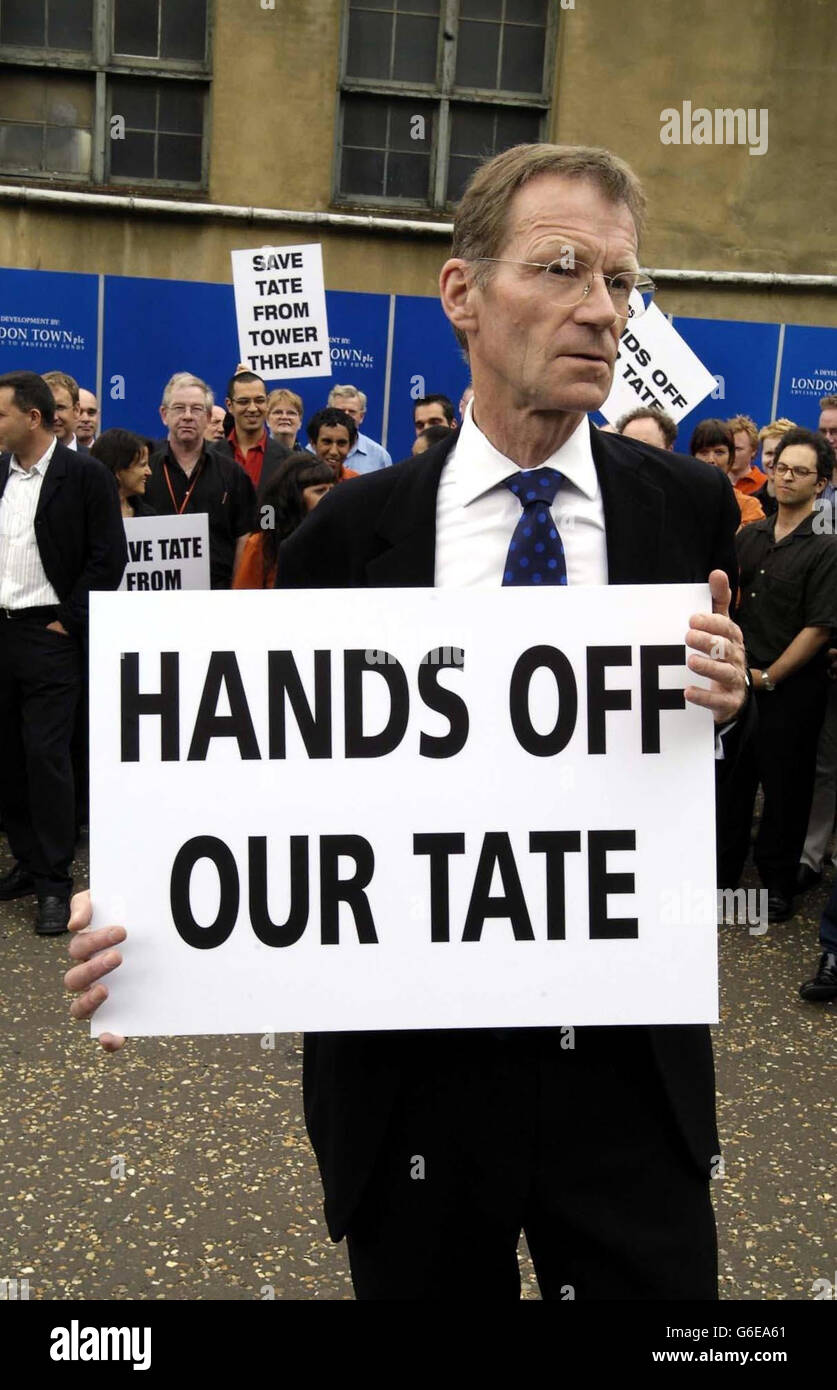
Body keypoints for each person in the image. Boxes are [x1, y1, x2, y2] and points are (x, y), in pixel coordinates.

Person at [67, 144, 750, 1302]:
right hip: (416, 1080)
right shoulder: (345, 537)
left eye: (624, 283)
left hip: (625, 1076)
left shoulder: (686, 509)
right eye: (564, 269)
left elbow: (682, 780)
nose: (602, 310)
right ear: (463, 295)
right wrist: (142, 893)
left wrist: (720, 713)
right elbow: (273, 764)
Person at [0, 370, 126, 933]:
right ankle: (26, 863)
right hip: (0, 634)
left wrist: (67, 621)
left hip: (50, 639)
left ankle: (55, 883)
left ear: (32, 417)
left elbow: (108, 559)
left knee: (47, 758)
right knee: (8, 758)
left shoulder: (84, 476)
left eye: (1, 413)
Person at [718, 428, 837, 922]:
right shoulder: (751, 535)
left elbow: (818, 627)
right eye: (782, 467)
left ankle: (776, 885)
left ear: (822, 483)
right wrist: (741, 676)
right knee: (731, 785)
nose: (786, 477)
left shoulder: (827, 547)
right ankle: (722, 879)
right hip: (741, 687)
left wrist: (768, 677)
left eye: (801, 471)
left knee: (786, 790)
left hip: (792, 688)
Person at [143, 373, 256, 589]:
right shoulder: (144, 471)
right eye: (179, 408)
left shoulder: (233, 473)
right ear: (164, 414)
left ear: (208, 416)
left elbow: (244, 537)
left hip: (216, 597)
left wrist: (237, 592)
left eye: (196, 409)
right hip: (155, 599)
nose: (187, 416)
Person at [233, 452, 333, 589]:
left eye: (332, 490)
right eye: (320, 491)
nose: (330, 497)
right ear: (295, 496)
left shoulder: (341, 538)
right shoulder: (262, 544)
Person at [212, 371, 290, 494]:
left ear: (267, 402)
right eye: (244, 401)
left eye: (259, 400)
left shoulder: (288, 460)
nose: (253, 408)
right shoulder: (209, 457)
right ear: (229, 405)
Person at [690, 418, 764, 528]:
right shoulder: (676, 499)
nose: (711, 459)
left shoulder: (749, 506)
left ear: (730, 457)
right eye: (703, 452)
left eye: (719, 452)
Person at [89, 429, 154, 517]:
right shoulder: (83, 515)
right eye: (142, 465)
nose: (149, 472)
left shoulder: (149, 515)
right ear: (118, 470)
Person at [327, 385, 392, 474]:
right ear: (328, 413)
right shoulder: (312, 451)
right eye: (340, 412)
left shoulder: (380, 457)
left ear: (361, 416)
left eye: (352, 412)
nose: (346, 416)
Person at [753, 418, 796, 517]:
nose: (774, 460)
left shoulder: (803, 504)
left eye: (780, 453)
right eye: (769, 453)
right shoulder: (751, 502)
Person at [307, 407, 360, 482]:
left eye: (341, 443)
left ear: (351, 446)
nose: (333, 452)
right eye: (327, 442)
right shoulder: (298, 481)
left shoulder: (356, 482)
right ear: (313, 443)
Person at [42, 371, 89, 454]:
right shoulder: (19, 461)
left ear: (76, 410)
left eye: (60, 408)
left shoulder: (95, 461)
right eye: (47, 408)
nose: (54, 417)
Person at [726, 414, 765, 494]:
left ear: (753, 451)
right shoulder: (715, 481)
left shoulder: (765, 484)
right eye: (729, 448)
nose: (732, 454)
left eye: (738, 449)